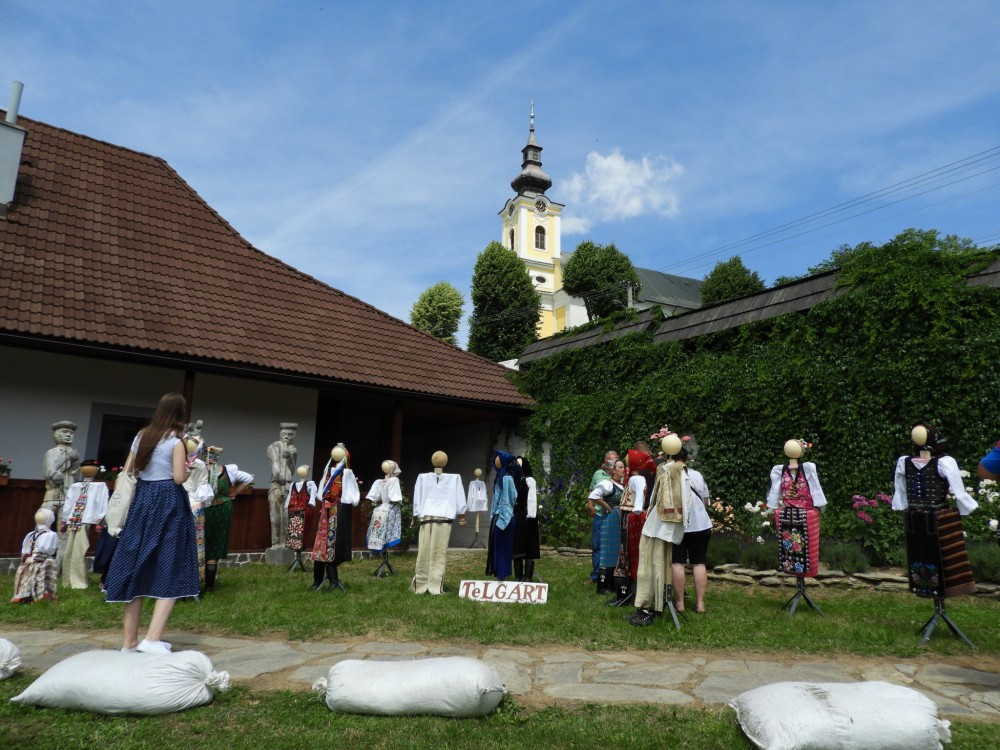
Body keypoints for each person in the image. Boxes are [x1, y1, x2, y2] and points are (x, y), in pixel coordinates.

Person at [104, 393, 199, 653]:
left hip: (142, 501)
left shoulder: (142, 435)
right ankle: (153, 639)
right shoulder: (176, 442)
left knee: (135, 565)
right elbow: (179, 478)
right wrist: (190, 469)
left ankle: (129, 642)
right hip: (169, 502)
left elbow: (129, 470)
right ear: (180, 415)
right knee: (172, 564)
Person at [203, 446, 253, 593]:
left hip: (203, 507)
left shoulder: (199, 470)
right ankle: (210, 586)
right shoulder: (228, 470)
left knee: (201, 541)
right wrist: (234, 493)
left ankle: (195, 582)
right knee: (216, 542)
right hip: (223, 507)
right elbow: (248, 478)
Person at [670, 449, 711, 613]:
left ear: (671, 457)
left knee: (678, 562)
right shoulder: (697, 475)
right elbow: (705, 500)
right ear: (686, 459)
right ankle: (700, 604)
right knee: (699, 562)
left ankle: (680, 604)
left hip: (678, 523)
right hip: (701, 523)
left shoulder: (669, 473)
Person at [587, 458, 624, 594]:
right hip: (610, 519)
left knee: (617, 550)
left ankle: (615, 582)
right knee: (608, 551)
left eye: (623, 467)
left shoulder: (622, 485)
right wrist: (606, 505)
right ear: (613, 470)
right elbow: (594, 495)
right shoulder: (608, 484)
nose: (623, 469)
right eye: (619, 467)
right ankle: (604, 585)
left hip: (619, 519)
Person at [11, 508, 59, 603]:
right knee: (32, 575)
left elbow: (28, 548)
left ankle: (37, 595)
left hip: (38, 559)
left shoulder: (40, 534)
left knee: (33, 576)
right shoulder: (43, 534)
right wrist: (29, 558)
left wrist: (31, 558)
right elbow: (45, 550)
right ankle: (32, 595)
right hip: (37, 559)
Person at [486, 450, 520, 581]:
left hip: (503, 518)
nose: (496, 462)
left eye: (499, 459)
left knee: (503, 548)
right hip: (501, 517)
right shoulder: (503, 478)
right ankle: (501, 574)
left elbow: (511, 497)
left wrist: (500, 514)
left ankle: (502, 574)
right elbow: (510, 497)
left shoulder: (506, 479)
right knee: (501, 548)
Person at [266, 423, 298, 548]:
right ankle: (275, 544)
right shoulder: (273, 447)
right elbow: (273, 463)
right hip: (275, 485)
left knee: (286, 517)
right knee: (275, 518)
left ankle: (284, 544)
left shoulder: (293, 450)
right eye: (284, 434)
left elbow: (292, 468)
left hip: (288, 485)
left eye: (290, 435)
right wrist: (278, 474)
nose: (287, 437)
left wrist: (289, 457)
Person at [512, 456, 540, 582]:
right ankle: (518, 576)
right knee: (517, 545)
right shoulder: (513, 479)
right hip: (517, 515)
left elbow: (532, 500)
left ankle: (527, 576)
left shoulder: (529, 481)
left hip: (528, 516)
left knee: (529, 544)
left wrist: (531, 517)